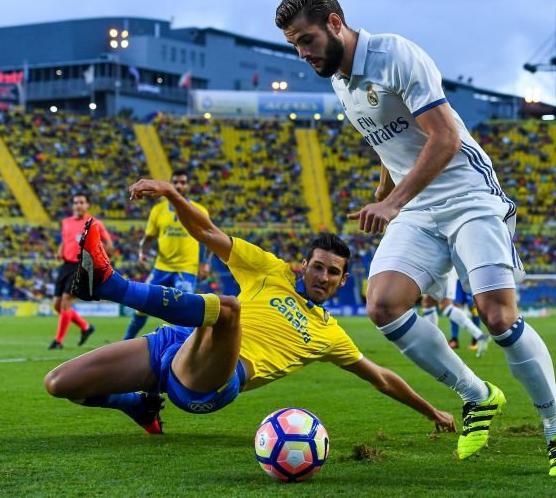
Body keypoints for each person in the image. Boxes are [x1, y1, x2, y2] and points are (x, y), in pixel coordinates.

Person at [276, 0, 556, 476]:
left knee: (498, 318)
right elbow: (387, 146)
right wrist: (382, 196)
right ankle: (477, 396)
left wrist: (394, 202)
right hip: (416, 206)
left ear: (335, 23)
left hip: (467, 194)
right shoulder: (339, 81)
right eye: (294, 44)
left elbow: (445, 137)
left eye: (305, 39)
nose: (301, 52)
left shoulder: (395, 54)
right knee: (383, 305)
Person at [44, 179, 456, 436]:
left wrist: (432, 410)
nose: (322, 277)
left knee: (227, 310)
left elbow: (381, 378)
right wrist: (172, 193)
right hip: (177, 341)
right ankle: (138, 405)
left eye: (332, 273)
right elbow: (207, 231)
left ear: (343, 281)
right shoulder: (270, 270)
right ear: (304, 266)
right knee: (60, 384)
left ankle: (111, 285)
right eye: (317, 267)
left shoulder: (331, 335)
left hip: (209, 382)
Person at [123, 170, 211, 340]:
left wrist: (205, 263)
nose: (179, 186)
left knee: (183, 309)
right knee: (141, 306)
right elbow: (148, 238)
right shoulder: (158, 210)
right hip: (161, 267)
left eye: (183, 182)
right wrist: (143, 253)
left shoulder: (199, 210)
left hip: (186, 268)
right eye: (175, 182)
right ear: (170, 184)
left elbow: (210, 237)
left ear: (188, 185)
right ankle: (125, 341)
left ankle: (178, 349)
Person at [48, 193, 111, 350]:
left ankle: (58, 341)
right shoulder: (66, 222)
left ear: (87, 205)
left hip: (81, 265)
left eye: (82, 202)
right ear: (73, 205)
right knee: (57, 305)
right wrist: (59, 251)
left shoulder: (94, 223)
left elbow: (109, 244)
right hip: (65, 265)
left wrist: (94, 258)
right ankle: (85, 327)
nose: (78, 205)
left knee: (65, 302)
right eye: (76, 202)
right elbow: (64, 240)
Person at [420, 271, 489, 356]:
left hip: (445, 268)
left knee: (446, 306)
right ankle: (431, 342)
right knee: (427, 303)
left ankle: (479, 335)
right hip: (435, 268)